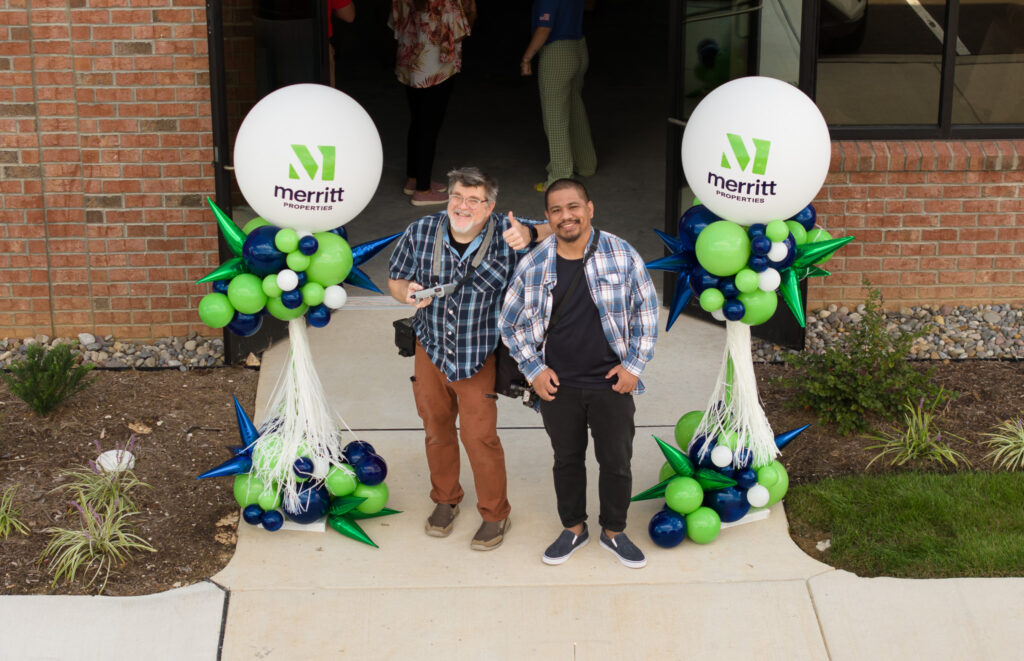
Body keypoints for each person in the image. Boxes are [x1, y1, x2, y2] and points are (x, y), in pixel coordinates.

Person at [388, 166, 552, 551]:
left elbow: (558, 226)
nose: (463, 207)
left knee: (480, 438)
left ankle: (495, 515)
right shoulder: (421, 231)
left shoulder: (509, 233)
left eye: (473, 200)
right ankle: (445, 501)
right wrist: (405, 294)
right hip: (430, 347)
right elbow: (395, 280)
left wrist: (531, 233)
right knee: (436, 428)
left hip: (477, 354)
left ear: (489, 205)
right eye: (457, 197)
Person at [498, 178, 658, 568]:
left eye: (573, 207)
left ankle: (614, 531)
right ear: (549, 218)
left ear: (589, 209)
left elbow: (647, 313)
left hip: (612, 383)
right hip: (559, 385)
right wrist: (534, 370)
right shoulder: (535, 263)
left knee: (616, 461)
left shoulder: (622, 254)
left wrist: (634, 367)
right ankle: (573, 528)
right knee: (566, 460)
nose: (565, 216)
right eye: (556, 210)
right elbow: (510, 323)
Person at [389, 0, 477, 206]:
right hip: (436, 68)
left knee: (417, 121)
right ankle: (423, 190)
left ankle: (414, 178)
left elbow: (396, 23)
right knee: (429, 127)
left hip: (410, 64)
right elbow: (459, 32)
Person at [520, 0, 597, 192]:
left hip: (557, 52)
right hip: (579, 47)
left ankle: (560, 177)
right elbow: (589, 5)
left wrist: (526, 58)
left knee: (555, 120)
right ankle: (586, 164)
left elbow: (544, 29)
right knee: (575, 109)